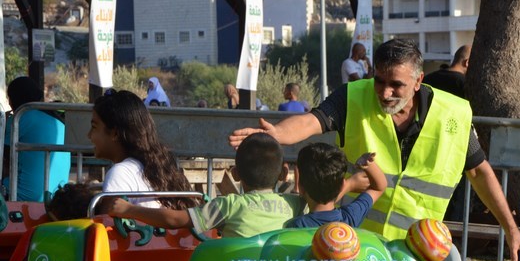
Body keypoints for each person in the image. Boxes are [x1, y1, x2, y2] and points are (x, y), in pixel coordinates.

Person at [230, 38, 520, 261]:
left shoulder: (454, 114)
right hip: (355, 256)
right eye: (379, 81)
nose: (385, 93)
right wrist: (276, 134)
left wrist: (512, 230)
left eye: (396, 85)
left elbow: (480, 172)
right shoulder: (354, 97)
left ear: (418, 81)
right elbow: (312, 121)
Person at [106, 133, 306, 237]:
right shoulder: (296, 205)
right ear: (284, 173)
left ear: (235, 174)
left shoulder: (228, 206)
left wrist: (130, 209)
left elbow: (175, 220)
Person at [88, 90, 196, 211]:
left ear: (115, 133)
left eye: (94, 127)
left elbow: (109, 226)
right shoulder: (159, 167)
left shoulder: (120, 174)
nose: (89, 135)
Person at [2, 77, 71, 201]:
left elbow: (3, 155)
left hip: (21, 197)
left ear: (13, 99)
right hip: (57, 198)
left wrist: (4, 123)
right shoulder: (58, 122)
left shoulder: (19, 119)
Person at [286, 143, 386, 228]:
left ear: (301, 188)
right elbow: (379, 187)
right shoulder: (348, 218)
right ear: (343, 185)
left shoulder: (295, 226)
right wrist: (369, 165)